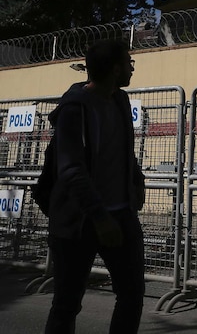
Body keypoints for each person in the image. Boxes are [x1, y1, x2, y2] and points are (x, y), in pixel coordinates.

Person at [44, 39, 146, 334]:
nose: (131, 69)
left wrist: (136, 181)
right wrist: (100, 217)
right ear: (116, 69)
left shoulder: (120, 100)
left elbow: (126, 149)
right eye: (129, 63)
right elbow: (71, 169)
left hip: (122, 215)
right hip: (79, 221)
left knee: (131, 294)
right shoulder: (74, 108)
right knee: (66, 304)